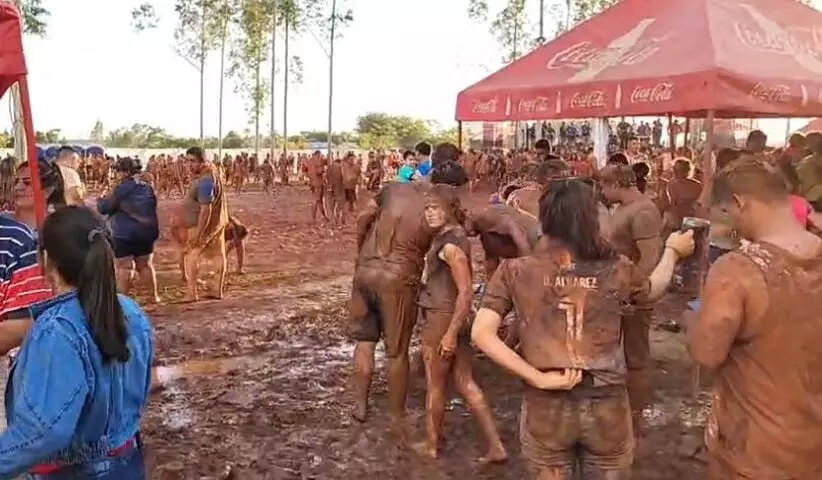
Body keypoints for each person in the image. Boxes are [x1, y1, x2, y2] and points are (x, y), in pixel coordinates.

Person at [471, 178, 694, 479]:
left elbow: (481, 333)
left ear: (545, 219)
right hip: (606, 408)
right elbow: (652, 289)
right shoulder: (617, 268)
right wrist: (672, 252)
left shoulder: (515, 271)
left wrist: (536, 377)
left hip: (546, 407)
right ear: (591, 219)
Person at [687, 158, 822, 479]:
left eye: (726, 212)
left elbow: (706, 352)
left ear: (739, 203)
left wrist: (691, 319)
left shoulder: (738, 270)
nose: (729, 222)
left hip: (754, 452)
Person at [0, 206, 153, 478]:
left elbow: (44, 430)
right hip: (126, 463)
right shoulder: (132, 312)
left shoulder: (56, 330)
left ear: (46, 260)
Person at [348, 143, 467, 431]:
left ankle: (360, 406)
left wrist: (361, 252)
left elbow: (363, 217)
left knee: (364, 342)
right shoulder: (437, 206)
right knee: (396, 352)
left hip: (365, 271)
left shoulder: (394, 188)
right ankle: (396, 416)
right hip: (398, 278)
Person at [412, 185, 506, 463]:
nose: (430, 213)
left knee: (436, 384)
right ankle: (496, 446)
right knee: (465, 382)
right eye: (427, 209)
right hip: (456, 317)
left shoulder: (450, 245)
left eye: (435, 208)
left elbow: (465, 291)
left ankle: (431, 445)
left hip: (443, 318)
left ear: (450, 209)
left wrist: (450, 333)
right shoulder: (453, 236)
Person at [598, 164, 663, 436]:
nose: (602, 192)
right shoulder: (625, 209)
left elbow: (650, 257)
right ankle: (623, 411)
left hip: (633, 296)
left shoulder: (643, 211)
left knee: (635, 356)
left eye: (604, 186)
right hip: (619, 291)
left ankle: (635, 417)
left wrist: (634, 291)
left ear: (616, 185)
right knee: (617, 352)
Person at [97, 157, 161, 304]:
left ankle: (122, 302)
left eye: (118, 171)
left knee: (124, 267)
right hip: (147, 232)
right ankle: (153, 296)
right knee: (145, 265)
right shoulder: (147, 187)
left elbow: (104, 208)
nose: (116, 174)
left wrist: (101, 198)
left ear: (125, 172)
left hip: (124, 233)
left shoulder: (121, 189)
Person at [172, 146, 229, 302]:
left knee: (192, 254)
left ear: (203, 162)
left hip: (203, 225)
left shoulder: (206, 180)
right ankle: (216, 290)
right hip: (215, 223)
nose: (189, 165)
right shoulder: (209, 174)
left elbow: (205, 209)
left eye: (193, 161)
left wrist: (199, 232)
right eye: (187, 161)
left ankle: (192, 293)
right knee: (218, 254)